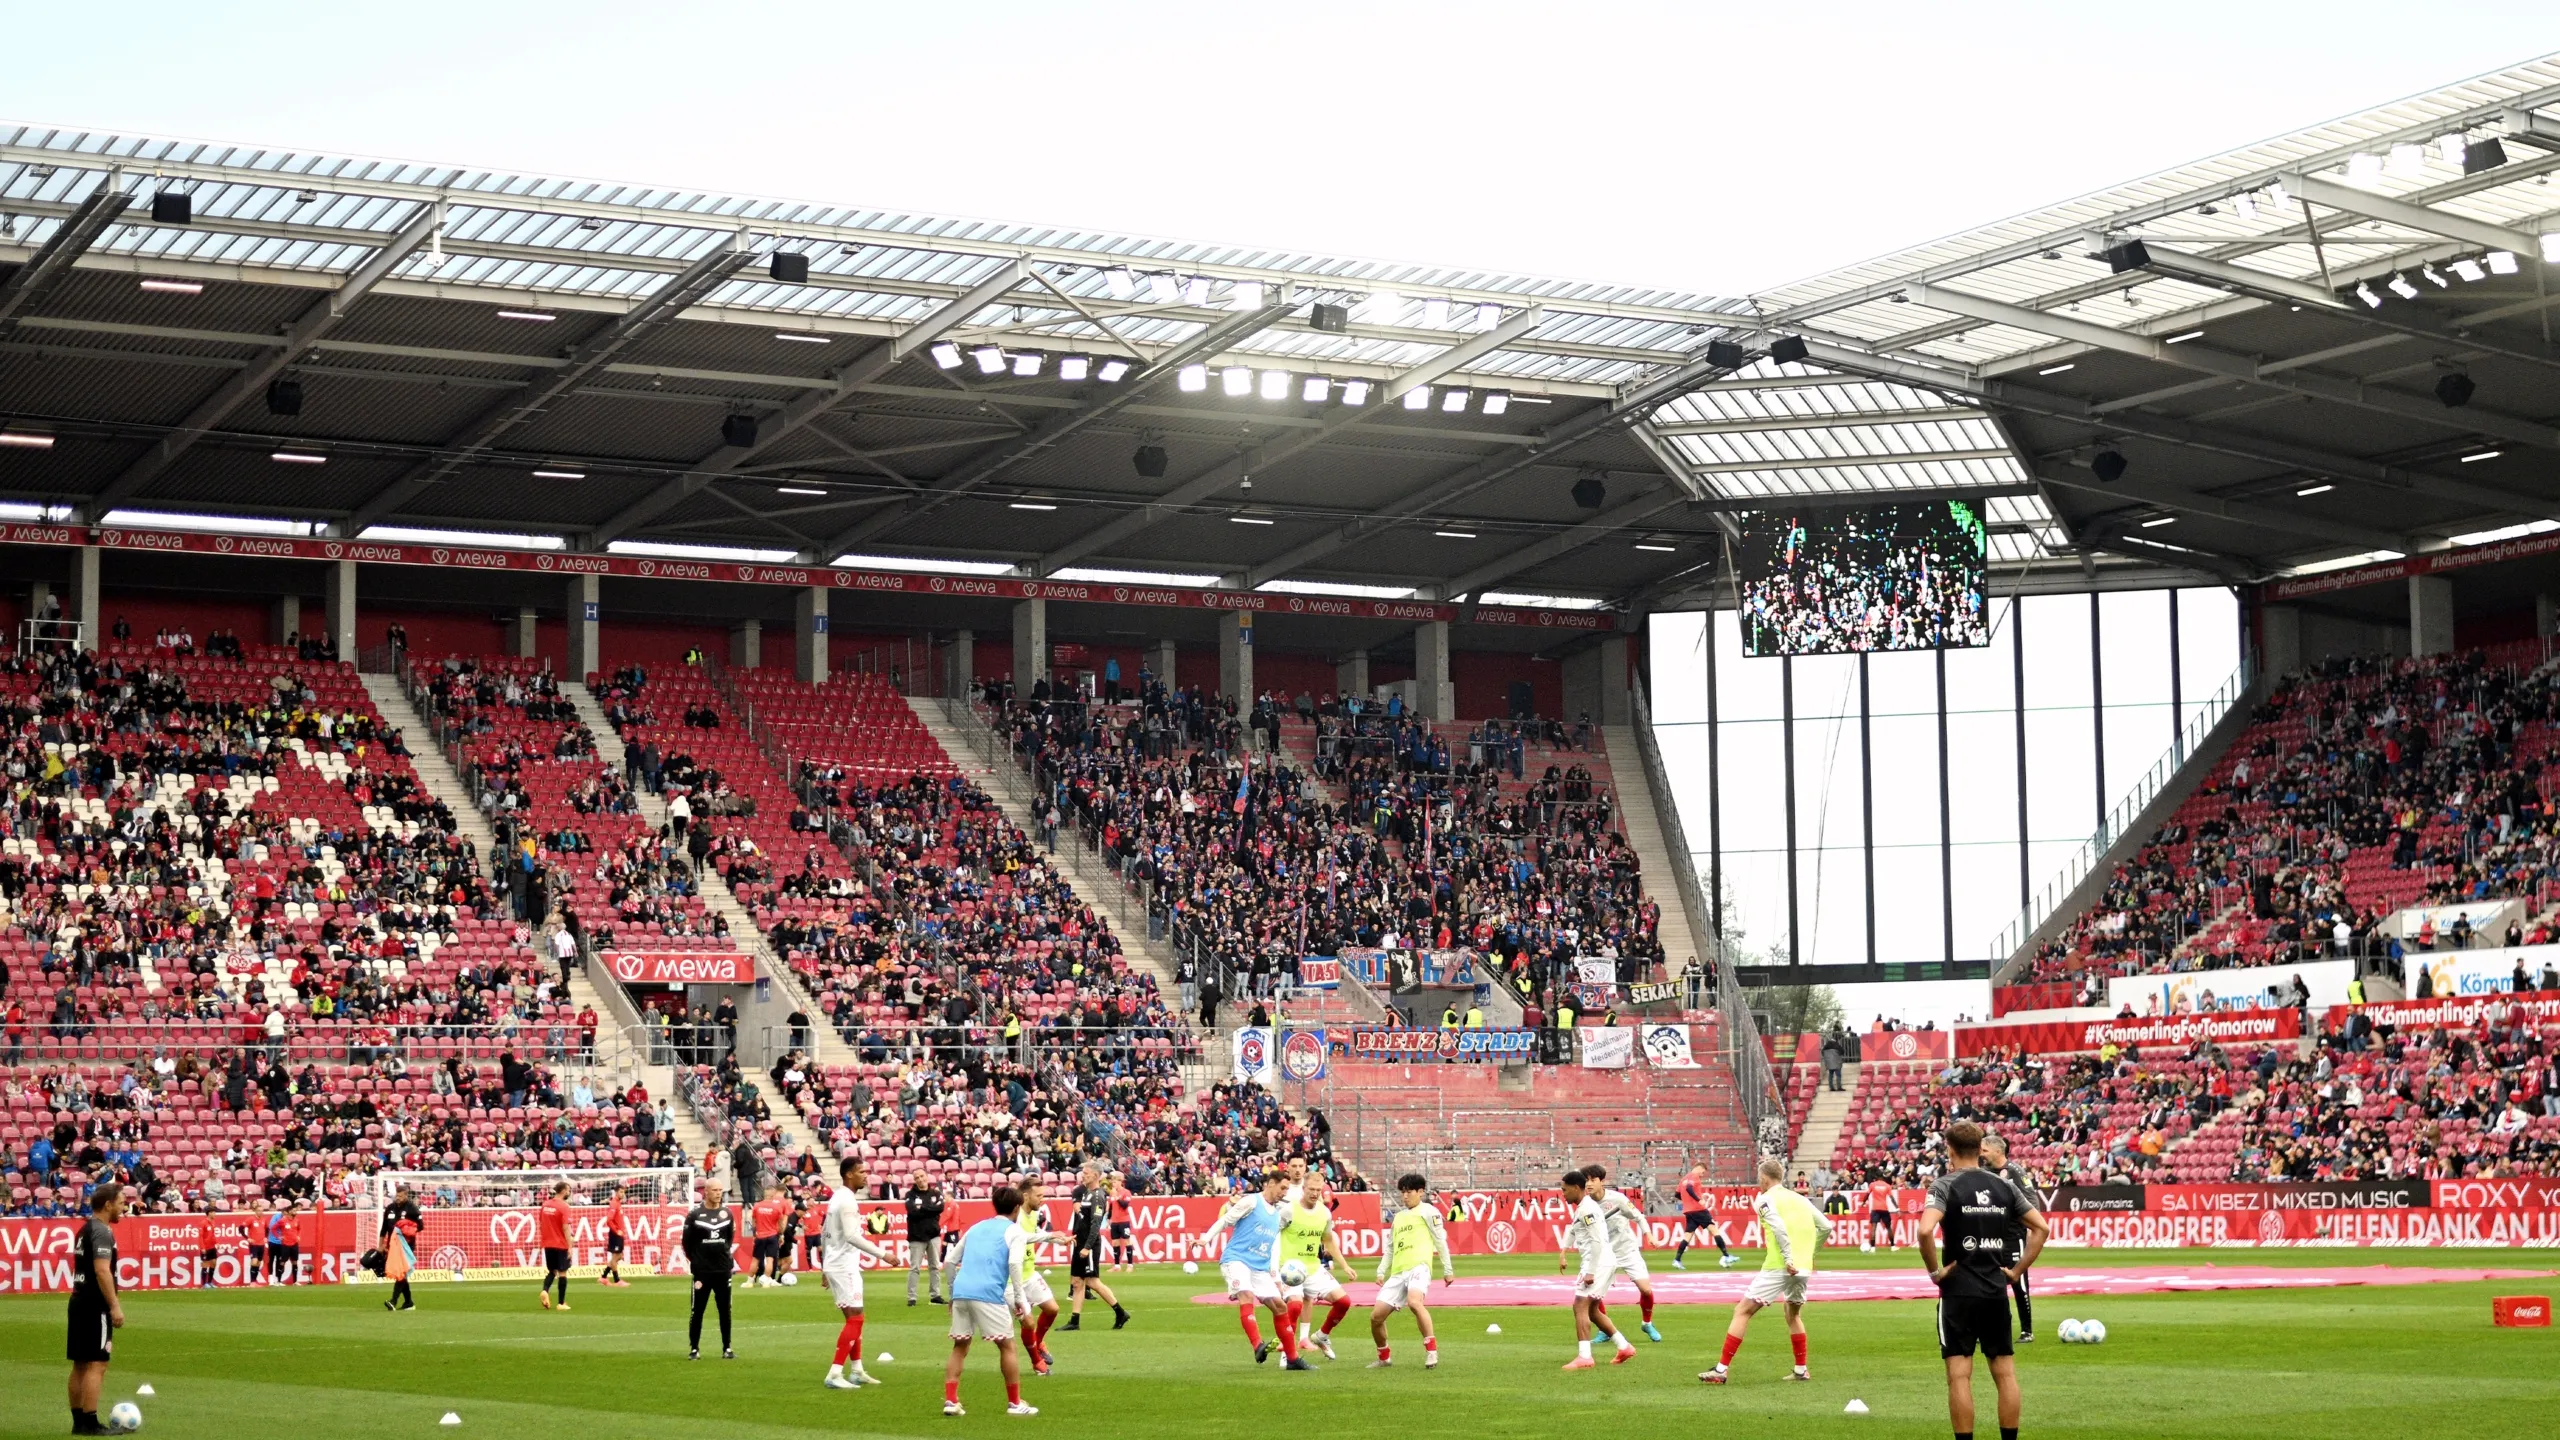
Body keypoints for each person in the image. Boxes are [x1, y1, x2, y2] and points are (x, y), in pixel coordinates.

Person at [1920, 1122, 2048, 1440]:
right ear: (1980, 1149)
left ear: (1949, 1149)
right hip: (1995, 1290)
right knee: (2005, 1374)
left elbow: (1924, 1231)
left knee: (1959, 1376)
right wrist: (2016, 1271)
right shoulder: (2004, 1186)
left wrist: (1935, 1272)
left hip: (1957, 1291)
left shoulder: (1944, 1185)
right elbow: (2041, 1228)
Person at [1700, 1158, 1832, 1385]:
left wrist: (1788, 1258)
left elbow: (1778, 1227)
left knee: (1742, 1311)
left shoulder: (1764, 1199)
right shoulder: (1800, 1198)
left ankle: (1721, 1370)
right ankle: (1801, 1370)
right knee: (1793, 1315)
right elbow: (1826, 1226)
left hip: (1780, 1265)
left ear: (1763, 1178)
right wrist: (1810, 1254)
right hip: (1802, 1267)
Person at [940, 1183, 1038, 1417]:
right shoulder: (1014, 1231)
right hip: (989, 1293)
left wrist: (953, 1293)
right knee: (1007, 1346)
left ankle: (951, 1401)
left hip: (962, 1291)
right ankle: (1015, 1403)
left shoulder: (976, 1227)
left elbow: (950, 1262)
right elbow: (1014, 1264)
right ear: (1017, 1207)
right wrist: (1020, 1300)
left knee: (960, 1345)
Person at [1198, 1167, 1311, 1369]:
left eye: (1287, 1189)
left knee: (1280, 1306)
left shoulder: (1278, 1212)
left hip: (1259, 1268)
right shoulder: (1251, 1201)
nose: (1285, 1192)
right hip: (1237, 1260)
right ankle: (1258, 1345)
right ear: (1271, 1184)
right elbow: (1225, 1221)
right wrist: (1205, 1239)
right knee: (1247, 1295)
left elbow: (1272, 1246)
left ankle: (1293, 1359)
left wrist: (1274, 1275)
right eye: (1282, 1188)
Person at [820, 1155, 893, 1390]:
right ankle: (835, 1373)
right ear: (849, 1174)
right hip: (844, 1266)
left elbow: (824, 1232)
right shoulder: (847, 1201)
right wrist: (883, 1254)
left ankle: (857, 1370)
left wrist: (824, 1266)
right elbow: (852, 1236)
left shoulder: (837, 1198)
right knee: (857, 1318)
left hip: (835, 1263)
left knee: (854, 1320)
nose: (866, 1176)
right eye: (862, 1172)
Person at [1368, 1171, 1454, 1369]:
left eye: (1409, 1192)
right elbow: (1390, 1248)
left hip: (1419, 1267)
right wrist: (1381, 1271)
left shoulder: (1429, 1211)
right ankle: (1384, 1358)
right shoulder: (1398, 1217)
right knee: (1376, 1317)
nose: (1405, 1196)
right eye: (1403, 1192)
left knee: (1414, 1302)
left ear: (1420, 1192)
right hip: (1398, 1272)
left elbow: (1440, 1241)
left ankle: (1431, 1351)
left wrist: (1448, 1269)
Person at [1559, 1169, 1635, 1370]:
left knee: (1579, 1305)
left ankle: (1585, 1357)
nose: (1563, 1194)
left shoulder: (1587, 1209)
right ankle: (1624, 1346)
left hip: (1598, 1262)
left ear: (1576, 1188)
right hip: (1604, 1261)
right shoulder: (1584, 1207)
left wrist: (1590, 1271)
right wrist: (1564, 1251)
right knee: (1592, 1310)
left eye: (1565, 1190)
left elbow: (1596, 1240)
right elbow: (1574, 1230)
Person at [66, 1182, 126, 1436]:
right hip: (95, 1305)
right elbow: (102, 1270)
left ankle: (79, 1422)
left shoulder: (85, 1229)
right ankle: (91, 1422)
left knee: (80, 1364)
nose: (124, 1208)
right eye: (121, 1203)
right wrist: (114, 1306)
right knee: (98, 1363)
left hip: (78, 1300)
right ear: (108, 1205)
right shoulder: (101, 1232)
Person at [1581, 1163, 1662, 1341]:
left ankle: (1647, 1323)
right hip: (1604, 1254)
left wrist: (1649, 1235)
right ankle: (1604, 1330)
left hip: (1626, 1250)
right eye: (1586, 1181)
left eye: (1593, 1180)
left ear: (1602, 1181)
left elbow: (1639, 1217)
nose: (1589, 1184)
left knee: (1646, 1290)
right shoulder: (1585, 1205)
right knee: (1594, 1293)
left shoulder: (1617, 1199)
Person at [1277, 1169, 1352, 1359]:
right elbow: (1273, 1234)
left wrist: (1344, 1266)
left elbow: (1328, 1241)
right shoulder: (1289, 1210)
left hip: (1313, 1267)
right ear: (1303, 1188)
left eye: (1318, 1190)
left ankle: (1322, 1335)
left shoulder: (1324, 1213)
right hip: (1290, 1268)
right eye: (1311, 1189)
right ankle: (1288, 1353)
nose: (1315, 1193)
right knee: (1295, 1306)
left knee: (1343, 1302)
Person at [1977, 1135, 2045, 1344]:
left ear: (1998, 1151)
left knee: (2018, 1282)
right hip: (1991, 1237)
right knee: (1986, 1282)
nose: (1981, 1154)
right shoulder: (1985, 1172)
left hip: (2013, 1236)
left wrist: (2027, 1227)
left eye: (1985, 1150)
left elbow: (2032, 1203)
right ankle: (1984, 1329)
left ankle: (2027, 1330)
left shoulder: (2015, 1172)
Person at [1011, 1175, 1069, 1376]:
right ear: (1026, 1196)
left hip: (1029, 1272)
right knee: (1027, 1322)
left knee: (1052, 1309)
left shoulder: (1034, 1213)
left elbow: (1035, 1232)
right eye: (1039, 1196)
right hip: (1012, 1279)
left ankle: (1039, 1341)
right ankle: (1037, 1362)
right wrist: (1050, 1235)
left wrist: (1058, 1240)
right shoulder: (1016, 1216)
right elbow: (1021, 1238)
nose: (1042, 1199)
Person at [1063, 1162, 1129, 1332]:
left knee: (1092, 1281)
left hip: (1088, 1244)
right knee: (1077, 1282)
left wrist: (1087, 1247)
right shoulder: (1087, 1193)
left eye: (1086, 1173)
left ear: (1095, 1175)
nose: (1082, 1175)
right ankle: (1074, 1321)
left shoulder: (1098, 1196)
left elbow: (1096, 1224)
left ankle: (1120, 1312)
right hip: (1080, 1242)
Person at [683, 1180, 738, 1360]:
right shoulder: (695, 1215)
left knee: (725, 1310)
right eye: (714, 1190)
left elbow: (729, 1239)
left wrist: (723, 1256)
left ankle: (727, 1348)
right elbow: (686, 1243)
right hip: (702, 1271)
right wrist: (698, 1261)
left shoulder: (727, 1213)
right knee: (697, 1310)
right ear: (705, 1191)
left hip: (722, 1270)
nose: (718, 1193)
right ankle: (694, 1349)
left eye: (720, 1190)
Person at [1672, 1163, 1738, 1269]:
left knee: (1687, 1236)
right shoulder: (1694, 1176)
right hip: (1698, 1210)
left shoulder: (1683, 1179)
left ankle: (1677, 1260)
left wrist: (1687, 1201)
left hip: (1688, 1211)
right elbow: (1689, 1188)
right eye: (1702, 1172)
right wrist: (1698, 1200)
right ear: (1699, 1168)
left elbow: (1677, 1194)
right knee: (1714, 1230)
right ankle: (1726, 1256)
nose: (1702, 1175)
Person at [905, 1175, 947, 1305]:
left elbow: (940, 1208)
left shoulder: (936, 1193)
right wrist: (931, 1208)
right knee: (915, 1268)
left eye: (922, 1176)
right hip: (916, 1236)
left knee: (935, 1266)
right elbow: (912, 1212)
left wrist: (922, 1207)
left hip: (933, 1235)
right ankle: (912, 1297)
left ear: (927, 1177)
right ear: (915, 1180)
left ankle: (935, 1295)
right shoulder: (910, 1195)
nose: (920, 1179)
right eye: (917, 1177)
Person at [379, 1184, 422, 1312]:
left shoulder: (412, 1208)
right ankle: (408, 1302)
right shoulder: (390, 1208)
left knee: (401, 1272)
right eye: (397, 1195)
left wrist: (408, 1228)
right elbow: (384, 1228)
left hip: (406, 1246)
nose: (398, 1198)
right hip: (392, 1246)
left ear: (406, 1195)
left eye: (400, 1196)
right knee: (401, 1274)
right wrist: (380, 1245)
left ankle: (393, 1301)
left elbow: (420, 1226)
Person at [537, 1180, 575, 1310]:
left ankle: (545, 1290)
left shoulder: (545, 1205)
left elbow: (541, 1224)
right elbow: (566, 1228)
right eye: (568, 1190)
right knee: (562, 1273)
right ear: (563, 1191)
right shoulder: (564, 1207)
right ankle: (561, 1303)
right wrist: (570, 1246)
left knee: (552, 1271)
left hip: (548, 1243)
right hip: (560, 1244)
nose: (569, 1192)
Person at [600, 1186, 630, 1287]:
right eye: (621, 1192)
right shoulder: (614, 1203)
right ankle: (617, 1280)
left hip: (618, 1234)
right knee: (615, 1256)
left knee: (619, 1256)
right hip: (616, 1234)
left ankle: (604, 1277)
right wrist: (617, 1231)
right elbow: (609, 1220)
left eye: (623, 1192)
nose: (623, 1194)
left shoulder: (618, 1203)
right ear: (616, 1192)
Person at [1108, 1173, 1137, 1273]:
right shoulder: (1112, 1193)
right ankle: (1117, 1265)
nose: (1113, 1184)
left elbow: (1125, 1205)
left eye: (1115, 1182)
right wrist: (1109, 1218)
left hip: (1124, 1221)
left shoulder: (1126, 1192)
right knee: (1115, 1243)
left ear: (1120, 1182)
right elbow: (1111, 1206)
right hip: (1114, 1221)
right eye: (1112, 1182)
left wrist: (1117, 1196)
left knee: (1127, 1241)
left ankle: (1130, 1265)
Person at [1865, 1174, 1900, 1252]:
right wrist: (1897, 1208)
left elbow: (1867, 1194)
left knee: (1874, 1228)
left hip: (1875, 1208)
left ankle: (1873, 1248)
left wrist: (1863, 1202)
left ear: (1877, 1178)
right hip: (1884, 1208)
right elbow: (1892, 1198)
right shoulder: (1887, 1186)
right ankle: (1893, 1246)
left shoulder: (1872, 1185)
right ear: (1883, 1178)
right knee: (1888, 1228)